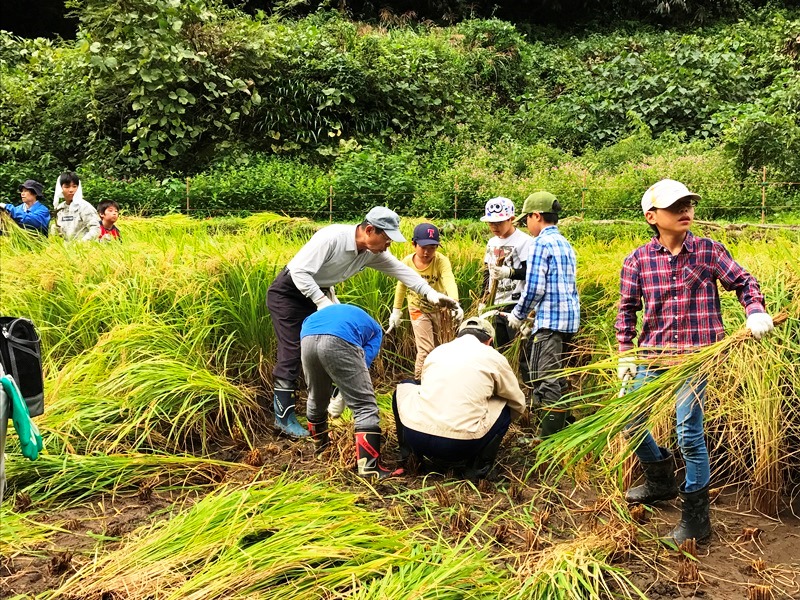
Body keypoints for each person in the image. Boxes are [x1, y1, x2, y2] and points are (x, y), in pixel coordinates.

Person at [615, 178, 775, 545]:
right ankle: (660, 481)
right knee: (630, 418)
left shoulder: (708, 251)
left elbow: (744, 283)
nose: (685, 211)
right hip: (652, 356)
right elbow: (626, 311)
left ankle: (696, 519)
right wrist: (625, 354)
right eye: (675, 207)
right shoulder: (637, 260)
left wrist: (754, 311)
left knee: (688, 432)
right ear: (652, 216)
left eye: (688, 205)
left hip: (697, 356)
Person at [266, 206, 459, 438]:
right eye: (386, 239)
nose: (388, 245)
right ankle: (283, 418)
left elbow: (401, 271)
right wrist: (321, 302)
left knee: (328, 345)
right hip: (289, 294)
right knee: (294, 348)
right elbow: (298, 272)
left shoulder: (370, 252)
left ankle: (329, 402)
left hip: (321, 293)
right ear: (369, 230)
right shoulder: (332, 237)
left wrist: (430, 294)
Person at [393, 316, 525, 479]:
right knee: (506, 403)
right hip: (461, 445)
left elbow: (425, 387)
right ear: (489, 341)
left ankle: (409, 458)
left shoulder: (438, 351)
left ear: (458, 336)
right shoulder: (493, 357)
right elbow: (518, 402)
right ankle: (478, 469)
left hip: (417, 436)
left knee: (404, 387)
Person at [507, 191, 580, 439]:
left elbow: (535, 287)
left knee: (544, 377)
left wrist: (518, 315)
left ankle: (548, 437)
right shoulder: (564, 243)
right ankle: (566, 427)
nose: (527, 225)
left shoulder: (540, 243)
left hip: (550, 323)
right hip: (568, 321)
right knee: (557, 376)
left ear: (536, 216)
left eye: (527, 219)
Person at [301, 303, 403, 479]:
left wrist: (339, 394)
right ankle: (370, 469)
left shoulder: (325, 315)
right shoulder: (376, 331)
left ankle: (321, 449)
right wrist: (344, 395)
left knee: (316, 397)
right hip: (339, 339)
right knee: (365, 405)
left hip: (307, 337)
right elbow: (363, 363)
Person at [389, 222, 463, 380]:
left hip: (440, 309)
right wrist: (396, 310)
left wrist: (455, 303)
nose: (427, 252)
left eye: (432, 247)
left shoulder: (441, 261)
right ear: (414, 244)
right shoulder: (408, 263)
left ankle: (442, 380)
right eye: (423, 247)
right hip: (418, 309)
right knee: (426, 349)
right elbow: (401, 286)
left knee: (444, 346)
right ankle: (420, 382)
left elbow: (449, 280)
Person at [477, 197, 532, 374]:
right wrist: (483, 299)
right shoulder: (492, 242)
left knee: (521, 350)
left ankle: (526, 388)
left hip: (515, 304)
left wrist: (509, 272)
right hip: (495, 302)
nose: (494, 227)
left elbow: (530, 272)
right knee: (497, 350)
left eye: (499, 222)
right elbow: (487, 272)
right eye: (491, 223)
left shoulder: (524, 241)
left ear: (511, 219)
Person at [53, 172, 100, 241]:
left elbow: (96, 229)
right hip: (65, 249)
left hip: (84, 248)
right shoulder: (60, 208)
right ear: (60, 188)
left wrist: (80, 244)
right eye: (67, 187)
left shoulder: (85, 207)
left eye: (74, 186)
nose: (71, 190)